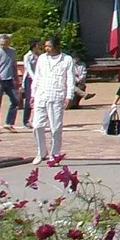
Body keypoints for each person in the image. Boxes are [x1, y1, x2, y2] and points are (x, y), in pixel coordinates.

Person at [29, 35, 76, 164]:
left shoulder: (67, 60)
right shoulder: (42, 59)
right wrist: (33, 93)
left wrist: (69, 96)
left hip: (57, 96)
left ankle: (55, 154)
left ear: (56, 47)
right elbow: (37, 77)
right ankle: (41, 151)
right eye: (46, 46)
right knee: (37, 125)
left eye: (49, 46)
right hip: (41, 95)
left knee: (55, 128)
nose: (47, 49)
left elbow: (70, 79)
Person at [19, 39, 40, 128]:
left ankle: (36, 119)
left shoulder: (39, 56)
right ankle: (26, 121)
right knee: (29, 100)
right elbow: (28, 69)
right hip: (29, 79)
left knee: (38, 100)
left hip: (38, 79)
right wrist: (34, 78)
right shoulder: (28, 56)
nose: (39, 46)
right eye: (37, 45)